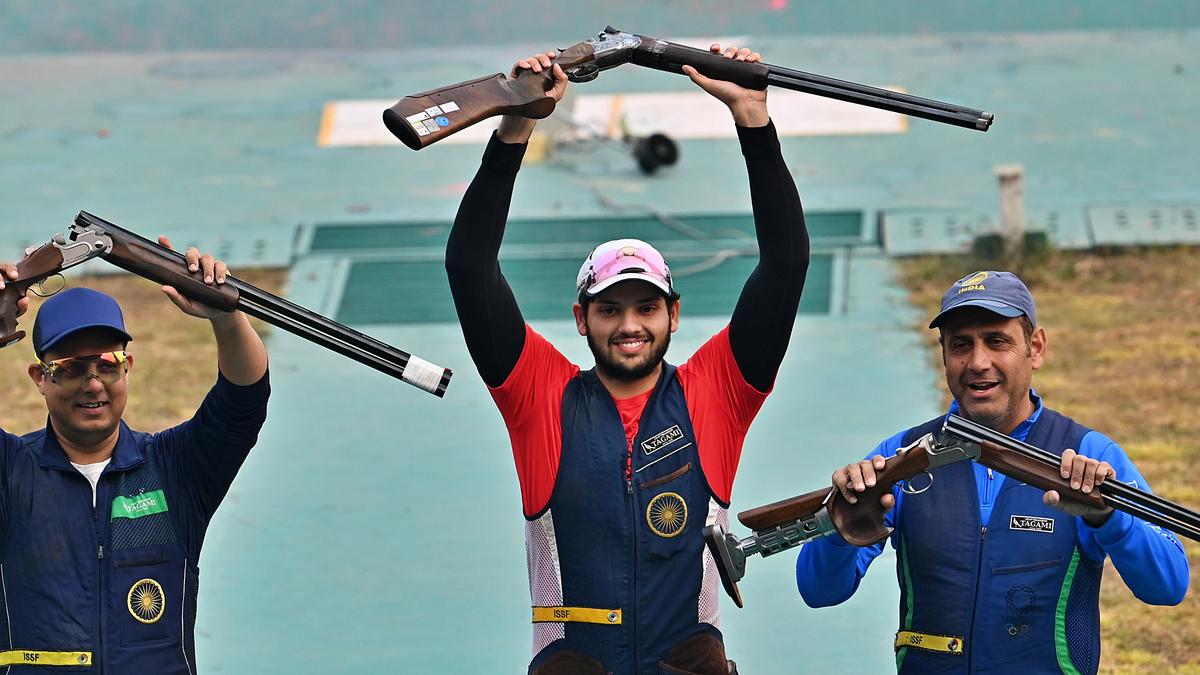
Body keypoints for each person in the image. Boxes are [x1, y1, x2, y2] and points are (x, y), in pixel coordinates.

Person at [445, 45, 809, 675]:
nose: (630, 325)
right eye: (610, 309)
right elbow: (469, 267)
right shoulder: (540, 395)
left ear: (674, 314)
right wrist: (516, 122)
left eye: (647, 307)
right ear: (581, 319)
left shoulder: (719, 389)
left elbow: (786, 263)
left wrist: (752, 116)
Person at [795, 270, 1189, 674]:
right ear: (944, 354)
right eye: (961, 345)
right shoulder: (900, 456)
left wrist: (1108, 518)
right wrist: (842, 528)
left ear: (1035, 348)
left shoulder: (1088, 456)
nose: (978, 363)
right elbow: (819, 590)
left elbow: (1168, 586)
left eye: (997, 341)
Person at [0, 243, 269, 674]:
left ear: (128, 368)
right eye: (71, 367)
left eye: (107, 364)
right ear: (40, 378)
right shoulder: (10, 472)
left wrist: (226, 315)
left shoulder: (173, 468)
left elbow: (243, 405)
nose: (93, 384)